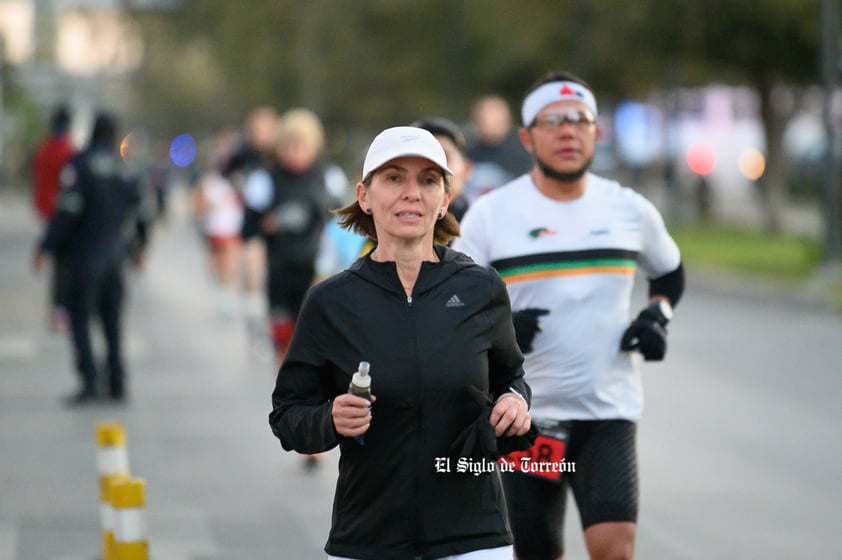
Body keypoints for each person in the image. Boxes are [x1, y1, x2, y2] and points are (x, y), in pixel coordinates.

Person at [269, 126, 535, 560]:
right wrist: (330, 419)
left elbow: (512, 379)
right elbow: (287, 415)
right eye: (394, 177)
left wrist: (515, 403)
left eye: (428, 180)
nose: (411, 192)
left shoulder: (481, 289)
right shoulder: (330, 302)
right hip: (368, 537)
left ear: (445, 199)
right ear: (365, 195)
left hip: (474, 538)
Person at [452, 71, 685, 560]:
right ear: (526, 136)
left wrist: (657, 314)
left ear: (597, 133)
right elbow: (452, 303)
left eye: (579, 120)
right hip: (525, 419)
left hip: (607, 412)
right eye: (552, 121)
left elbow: (669, 273)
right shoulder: (493, 215)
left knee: (613, 547)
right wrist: (498, 335)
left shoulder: (629, 210)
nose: (567, 132)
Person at [33, 112, 148, 406]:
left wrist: (45, 247)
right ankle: (117, 381)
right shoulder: (127, 169)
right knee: (112, 321)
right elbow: (142, 213)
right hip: (115, 255)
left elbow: (67, 211)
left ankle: (89, 381)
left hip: (85, 255)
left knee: (81, 318)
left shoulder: (80, 165)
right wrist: (138, 249)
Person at [242, 108, 344, 366]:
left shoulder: (329, 178)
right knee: (285, 349)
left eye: (302, 145)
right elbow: (247, 231)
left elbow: (343, 226)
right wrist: (266, 226)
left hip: (319, 276)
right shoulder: (264, 179)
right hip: (280, 276)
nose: (295, 151)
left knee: (316, 350)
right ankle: (287, 400)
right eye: (289, 144)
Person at [191, 128, 244, 317]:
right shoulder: (208, 181)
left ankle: (228, 296)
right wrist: (210, 206)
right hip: (213, 229)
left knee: (229, 263)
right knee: (215, 266)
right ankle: (224, 290)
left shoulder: (238, 179)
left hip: (232, 228)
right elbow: (197, 207)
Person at [31, 105, 75, 331]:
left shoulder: (43, 149)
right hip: (64, 212)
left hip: (46, 209)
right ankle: (61, 309)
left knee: (59, 260)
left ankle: (59, 309)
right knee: (63, 263)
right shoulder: (68, 150)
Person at [463, 95, 532, 204]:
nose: (488, 122)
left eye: (493, 118)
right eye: (483, 119)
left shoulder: (523, 153)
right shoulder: (469, 152)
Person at [411, 117, 472, 222]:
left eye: (444, 158)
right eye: (423, 159)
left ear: (466, 169)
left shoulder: (486, 229)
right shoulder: (382, 232)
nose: (432, 169)